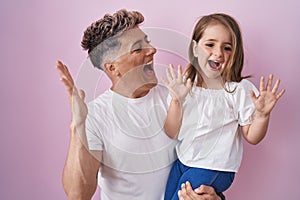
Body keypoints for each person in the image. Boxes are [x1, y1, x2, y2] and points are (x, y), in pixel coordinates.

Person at [56, 9, 224, 200]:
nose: (152, 50)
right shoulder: (95, 116)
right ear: (113, 67)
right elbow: (78, 194)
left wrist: (214, 197)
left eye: (148, 43)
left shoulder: (175, 97)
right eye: (137, 48)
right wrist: (78, 126)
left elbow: (208, 158)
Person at [162, 13, 285, 200]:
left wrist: (261, 115)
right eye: (210, 45)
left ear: (234, 54)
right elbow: (171, 132)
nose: (218, 53)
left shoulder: (238, 90)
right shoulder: (185, 85)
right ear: (195, 49)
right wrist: (176, 101)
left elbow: (252, 137)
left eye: (227, 48)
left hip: (215, 167)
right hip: (183, 161)